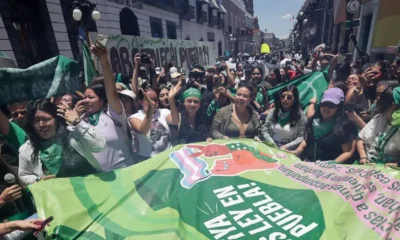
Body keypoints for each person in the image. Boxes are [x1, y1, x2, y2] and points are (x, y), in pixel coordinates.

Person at [18, 99, 105, 185]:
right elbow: (24, 175)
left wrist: (78, 122)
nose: (41, 124)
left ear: (57, 119)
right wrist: (39, 180)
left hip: (93, 189)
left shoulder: (74, 135)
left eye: (46, 119)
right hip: (60, 197)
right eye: (36, 120)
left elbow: (100, 146)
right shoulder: (27, 149)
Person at [83, 45, 135, 172]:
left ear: (102, 100)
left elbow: (112, 93)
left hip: (125, 173)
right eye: (84, 97)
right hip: (100, 181)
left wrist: (104, 62)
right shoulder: (81, 120)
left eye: (90, 97)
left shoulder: (114, 114)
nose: (86, 100)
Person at [291, 88, 358, 163]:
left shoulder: (345, 126)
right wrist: (297, 151)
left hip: (328, 169)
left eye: (331, 105)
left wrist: (332, 164)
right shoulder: (313, 121)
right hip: (307, 164)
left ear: (339, 107)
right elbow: (307, 140)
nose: (326, 108)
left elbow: (348, 152)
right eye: (324, 104)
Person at [357, 87, 400, 166]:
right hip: (369, 164)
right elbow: (361, 140)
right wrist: (363, 157)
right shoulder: (378, 118)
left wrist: (396, 164)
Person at [129, 88, 171, 162]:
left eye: (155, 99)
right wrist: (150, 109)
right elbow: (144, 130)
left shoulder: (164, 112)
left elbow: (175, 121)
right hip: (148, 159)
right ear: (140, 102)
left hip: (168, 157)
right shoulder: (134, 117)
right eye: (149, 100)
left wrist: (172, 99)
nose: (153, 102)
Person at [261, 86, 307, 150]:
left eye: (289, 97)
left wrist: (286, 146)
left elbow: (300, 137)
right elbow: (265, 130)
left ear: (295, 99)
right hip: (271, 147)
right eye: (283, 96)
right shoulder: (273, 112)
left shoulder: (300, 115)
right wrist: (272, 143)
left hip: (288, 150)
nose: (285, 99)